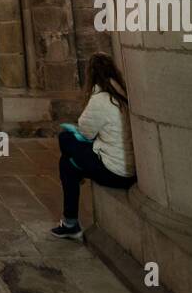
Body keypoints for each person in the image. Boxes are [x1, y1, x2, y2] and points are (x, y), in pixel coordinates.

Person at [51, 53, 136, 241]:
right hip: (132, 170)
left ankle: (70, 223)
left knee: (66, 142)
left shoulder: (101, 99)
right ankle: (70, 222)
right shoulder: (123, 92)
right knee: (69, 162)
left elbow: (85, 132)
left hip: (115, 170)